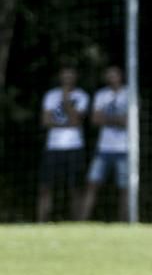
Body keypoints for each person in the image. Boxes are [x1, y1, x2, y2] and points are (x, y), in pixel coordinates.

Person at [37, 66, 90, 222]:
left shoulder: (82, 96)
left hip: (75, 147)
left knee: (76, 187)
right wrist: (67, 123)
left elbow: (76, 120)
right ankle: (41, 222)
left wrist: (66, 101)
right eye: (64, 76)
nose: (67, 79)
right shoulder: (51, 95)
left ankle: (77, 223)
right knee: (46, 186)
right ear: (60, 77)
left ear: (75, 77)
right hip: (53, 147)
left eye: (70, 76)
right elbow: (45, 121)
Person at [81, 65, 129, 221]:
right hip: (103, 149)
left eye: (114, 75)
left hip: (125, 149)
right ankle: (81, 221)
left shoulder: (130, 93)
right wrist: (117, 120)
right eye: (109, 75)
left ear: (120, 76)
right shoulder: (101, 95)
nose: (111, 78)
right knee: (92, 184)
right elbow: (95, 119)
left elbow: (128, 121)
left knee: (125, 188)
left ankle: (124, 223)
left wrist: (107, 119)